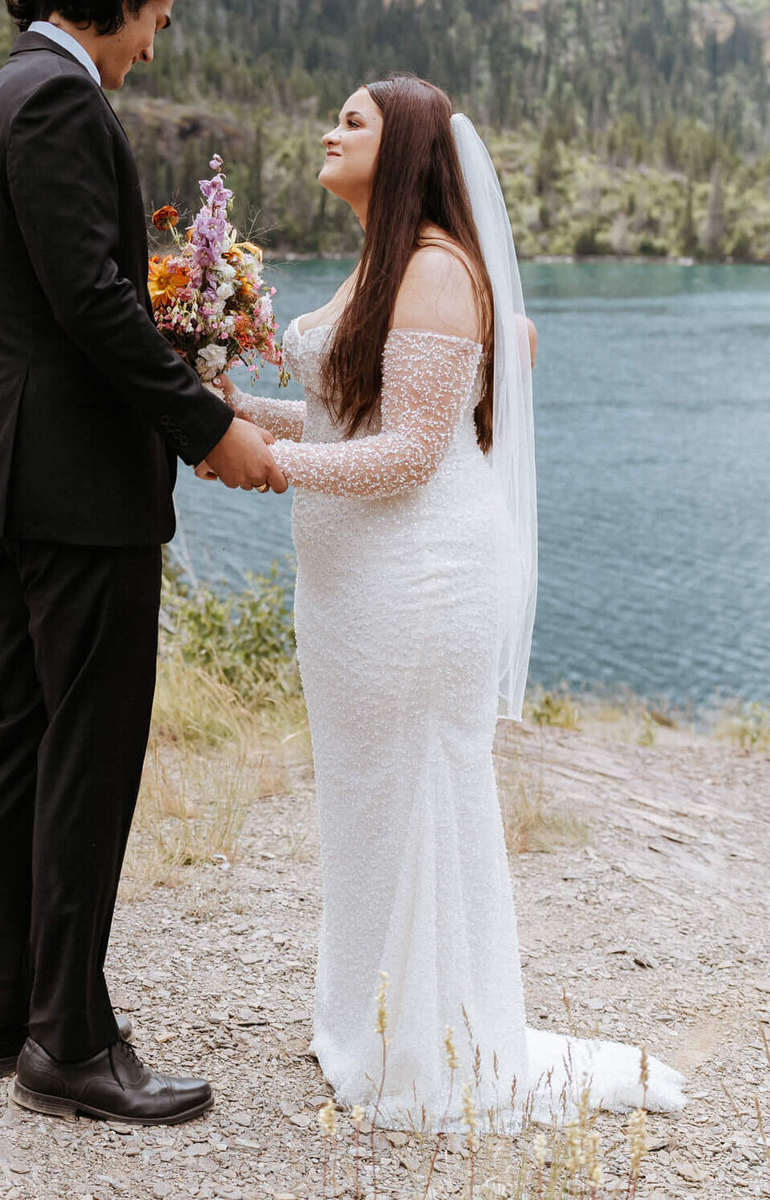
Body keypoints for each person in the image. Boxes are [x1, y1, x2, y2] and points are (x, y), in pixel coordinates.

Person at [219, 74, 684, 1129]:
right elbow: (347, 416)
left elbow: (410, 456)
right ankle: (374, 1019)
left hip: (417, 578)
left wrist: (269, 464)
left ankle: (436, 1041)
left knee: (420, 786)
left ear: (408, 146)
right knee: (366, 794)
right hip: (350, 583)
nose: (328, 132)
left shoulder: (433, 271)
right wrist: (235, 410)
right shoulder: (384, 264)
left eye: (353, 121)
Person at [0, 0, 285, 1126]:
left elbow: (65, 302)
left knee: (25, 740)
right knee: (86, 755)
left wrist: (189, 366)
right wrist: (210, 428)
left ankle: (3, 1013)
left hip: (18, 472)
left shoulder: (7, 93)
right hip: (73, 489)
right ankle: (70, 1043)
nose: (157, 43)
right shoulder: (55, 100)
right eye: (159, 16)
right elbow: (91, 309)